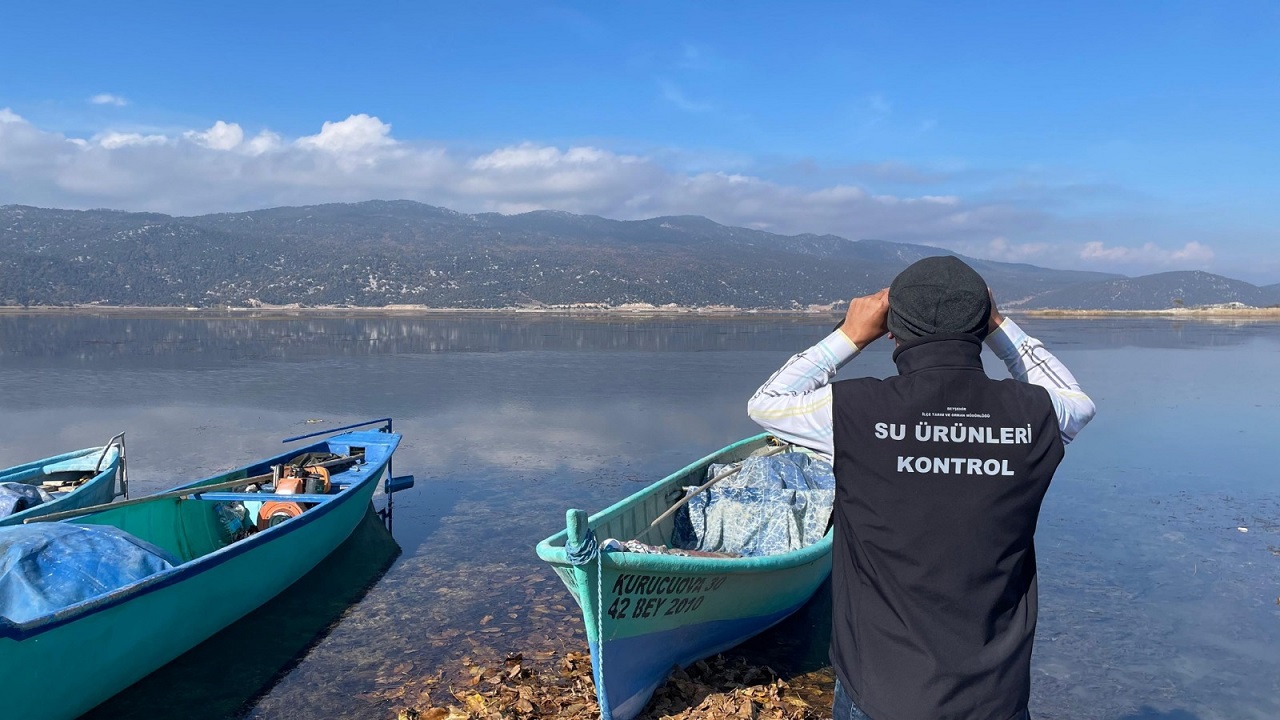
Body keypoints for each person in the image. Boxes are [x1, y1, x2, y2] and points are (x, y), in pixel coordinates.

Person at [747, 256, 1096, 720]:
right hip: (995, 697)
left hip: (881, 693)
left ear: (892, 330)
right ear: (981, 325)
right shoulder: (1034, 415)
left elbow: (767, 404)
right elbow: (1079, 402)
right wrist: (997, 326)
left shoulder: (855, 412)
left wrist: (849, 337)